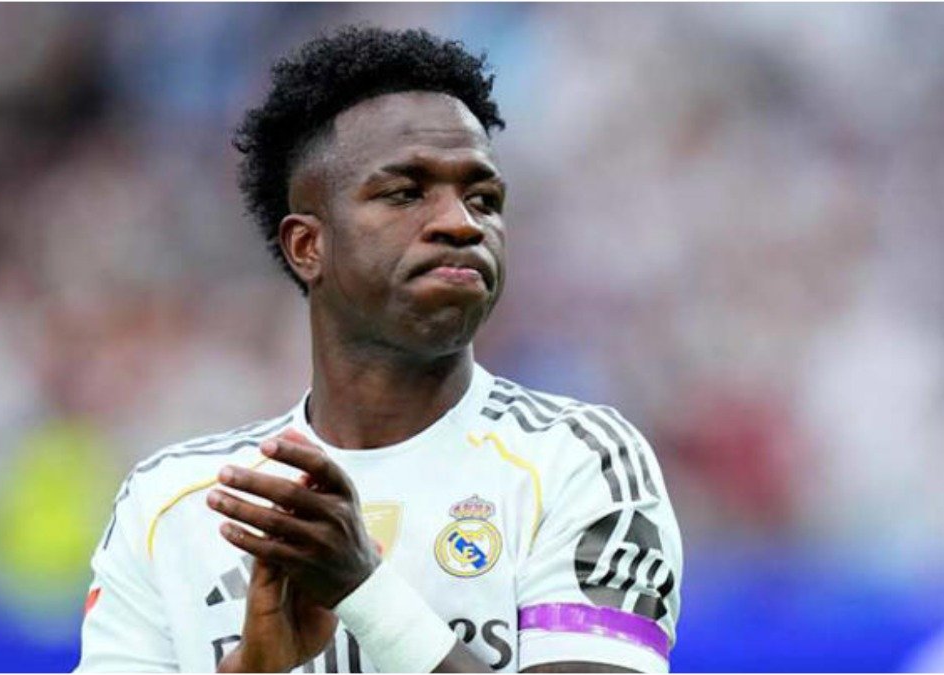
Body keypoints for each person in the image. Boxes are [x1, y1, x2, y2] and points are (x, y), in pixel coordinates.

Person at [76, 26, 682, 674]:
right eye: (405, 193)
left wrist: (364, 591)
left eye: (483, 199)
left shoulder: (579, 463)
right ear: (308, 245)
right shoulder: (174, 505)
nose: (461, 223)